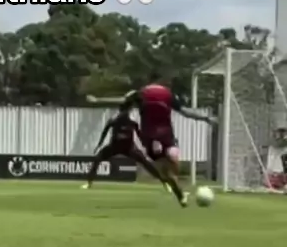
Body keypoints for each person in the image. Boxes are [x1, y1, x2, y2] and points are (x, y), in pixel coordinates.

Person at [87, 73, 216, 205]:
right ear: (161, 80)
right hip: (166, 136)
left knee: (165, 170)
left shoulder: (141, 94)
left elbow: (121, 100)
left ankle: (180, 194)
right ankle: (179, 191)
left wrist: (98, 100)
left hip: (151, 138)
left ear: (149, 80)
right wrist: (205, 118)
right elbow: (185, 112)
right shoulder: (167, 94)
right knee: (172, 163)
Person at [83, 108, 179, 198]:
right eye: (123, 112)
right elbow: (104, 132)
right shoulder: (113, 121)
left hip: (129, 149)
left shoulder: (132, 123)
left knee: (146, 162)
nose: (124, 114)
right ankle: (88, 183)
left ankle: (164, 183)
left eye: (126, 112)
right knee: (97, 159)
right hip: (114, 147)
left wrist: (146, 146)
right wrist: (99, 145)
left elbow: (140, 135)